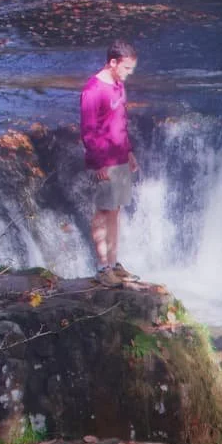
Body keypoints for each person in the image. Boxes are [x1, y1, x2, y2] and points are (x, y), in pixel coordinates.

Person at [80, 44, 139, 279]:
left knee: (115, 211)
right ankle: (102, 268)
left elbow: (120, 122)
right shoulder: (93, 90)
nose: (129, 72)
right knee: (102, 212)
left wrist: (129, 152)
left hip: (120, 157)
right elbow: (88, 131)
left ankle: (114, 264)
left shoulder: (117, 84)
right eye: (126, 67)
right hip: (104, 161)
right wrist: (99, 163)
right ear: (112, 62)